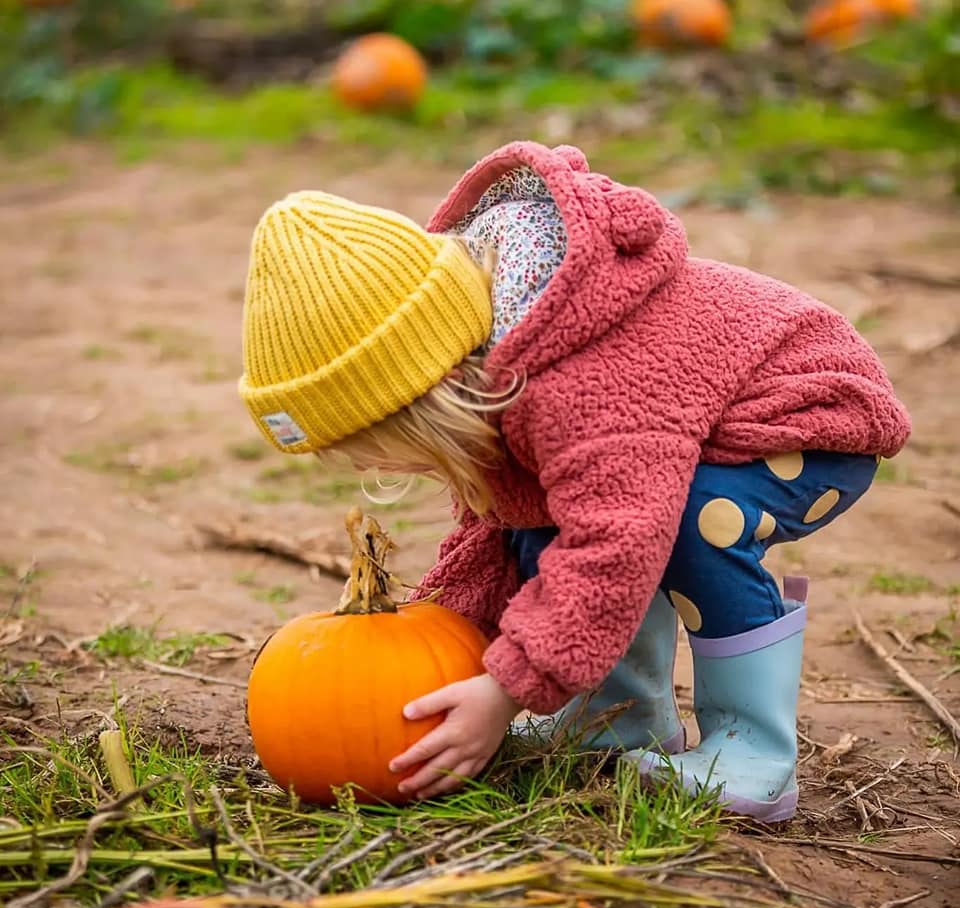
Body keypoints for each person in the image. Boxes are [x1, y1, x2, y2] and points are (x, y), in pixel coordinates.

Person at [238, 141, 910, 822]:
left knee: (689, 522)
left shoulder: (576, 383)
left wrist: (504, 691)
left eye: (371, 448)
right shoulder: (493, 367)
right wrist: (442, 640)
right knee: (538, 516)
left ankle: (752, 752)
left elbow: (617, 539)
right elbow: (495, 544)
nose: (370, 470)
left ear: (420, 399)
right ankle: (613, 719)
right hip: (681, 440)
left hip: (806, 419)